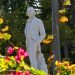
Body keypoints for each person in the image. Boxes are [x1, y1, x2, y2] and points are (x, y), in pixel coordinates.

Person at [24, 7, 48, 73]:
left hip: (34, 42)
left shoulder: (38, 21)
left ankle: (35, 72)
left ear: (34, 12)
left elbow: (43, 34)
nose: (29, 12)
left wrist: (37, 42)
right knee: (33, 59)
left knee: (33, 59)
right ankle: (37, 72)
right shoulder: (27, 22)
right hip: (28, 43)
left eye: (31, 11)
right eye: (28, 11)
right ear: (27, 13)